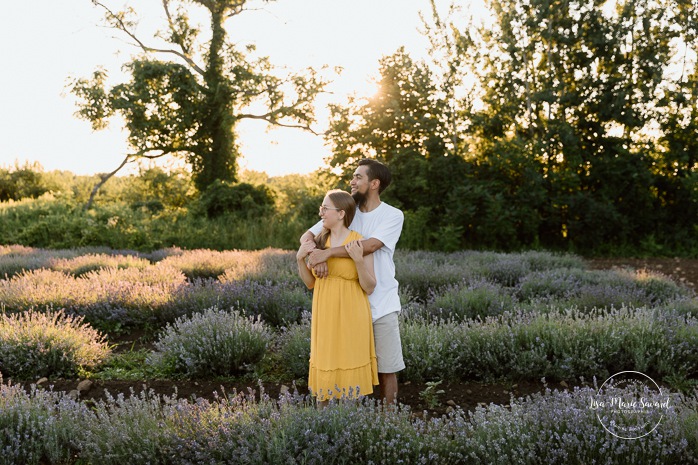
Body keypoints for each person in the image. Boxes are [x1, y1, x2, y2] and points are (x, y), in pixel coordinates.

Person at [300, 159, 405, 406]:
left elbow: (369, 246)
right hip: (346, 305)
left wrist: (327, 253)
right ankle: (345, 419)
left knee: (387, 366)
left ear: (374, 184)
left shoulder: (392, 215)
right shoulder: (347, 210)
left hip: (381, 301)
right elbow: (308, 235)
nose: (352, 181)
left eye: (358, 177)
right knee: (342, 362)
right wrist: (316, 253)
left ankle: (389, 420)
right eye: (353, 176)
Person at [296, 189, 379, 406]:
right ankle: (323, 428)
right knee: (325, 369)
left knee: (351, 381)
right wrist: (299, 259)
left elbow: (369, 287)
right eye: (321, 208)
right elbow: (309, 283)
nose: (321, 212)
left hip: (353, 314)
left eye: (325, 208)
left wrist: (358, 260)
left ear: (341, 214)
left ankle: (348, 427)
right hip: (325, 314)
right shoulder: (319, 242)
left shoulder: (358, 241)